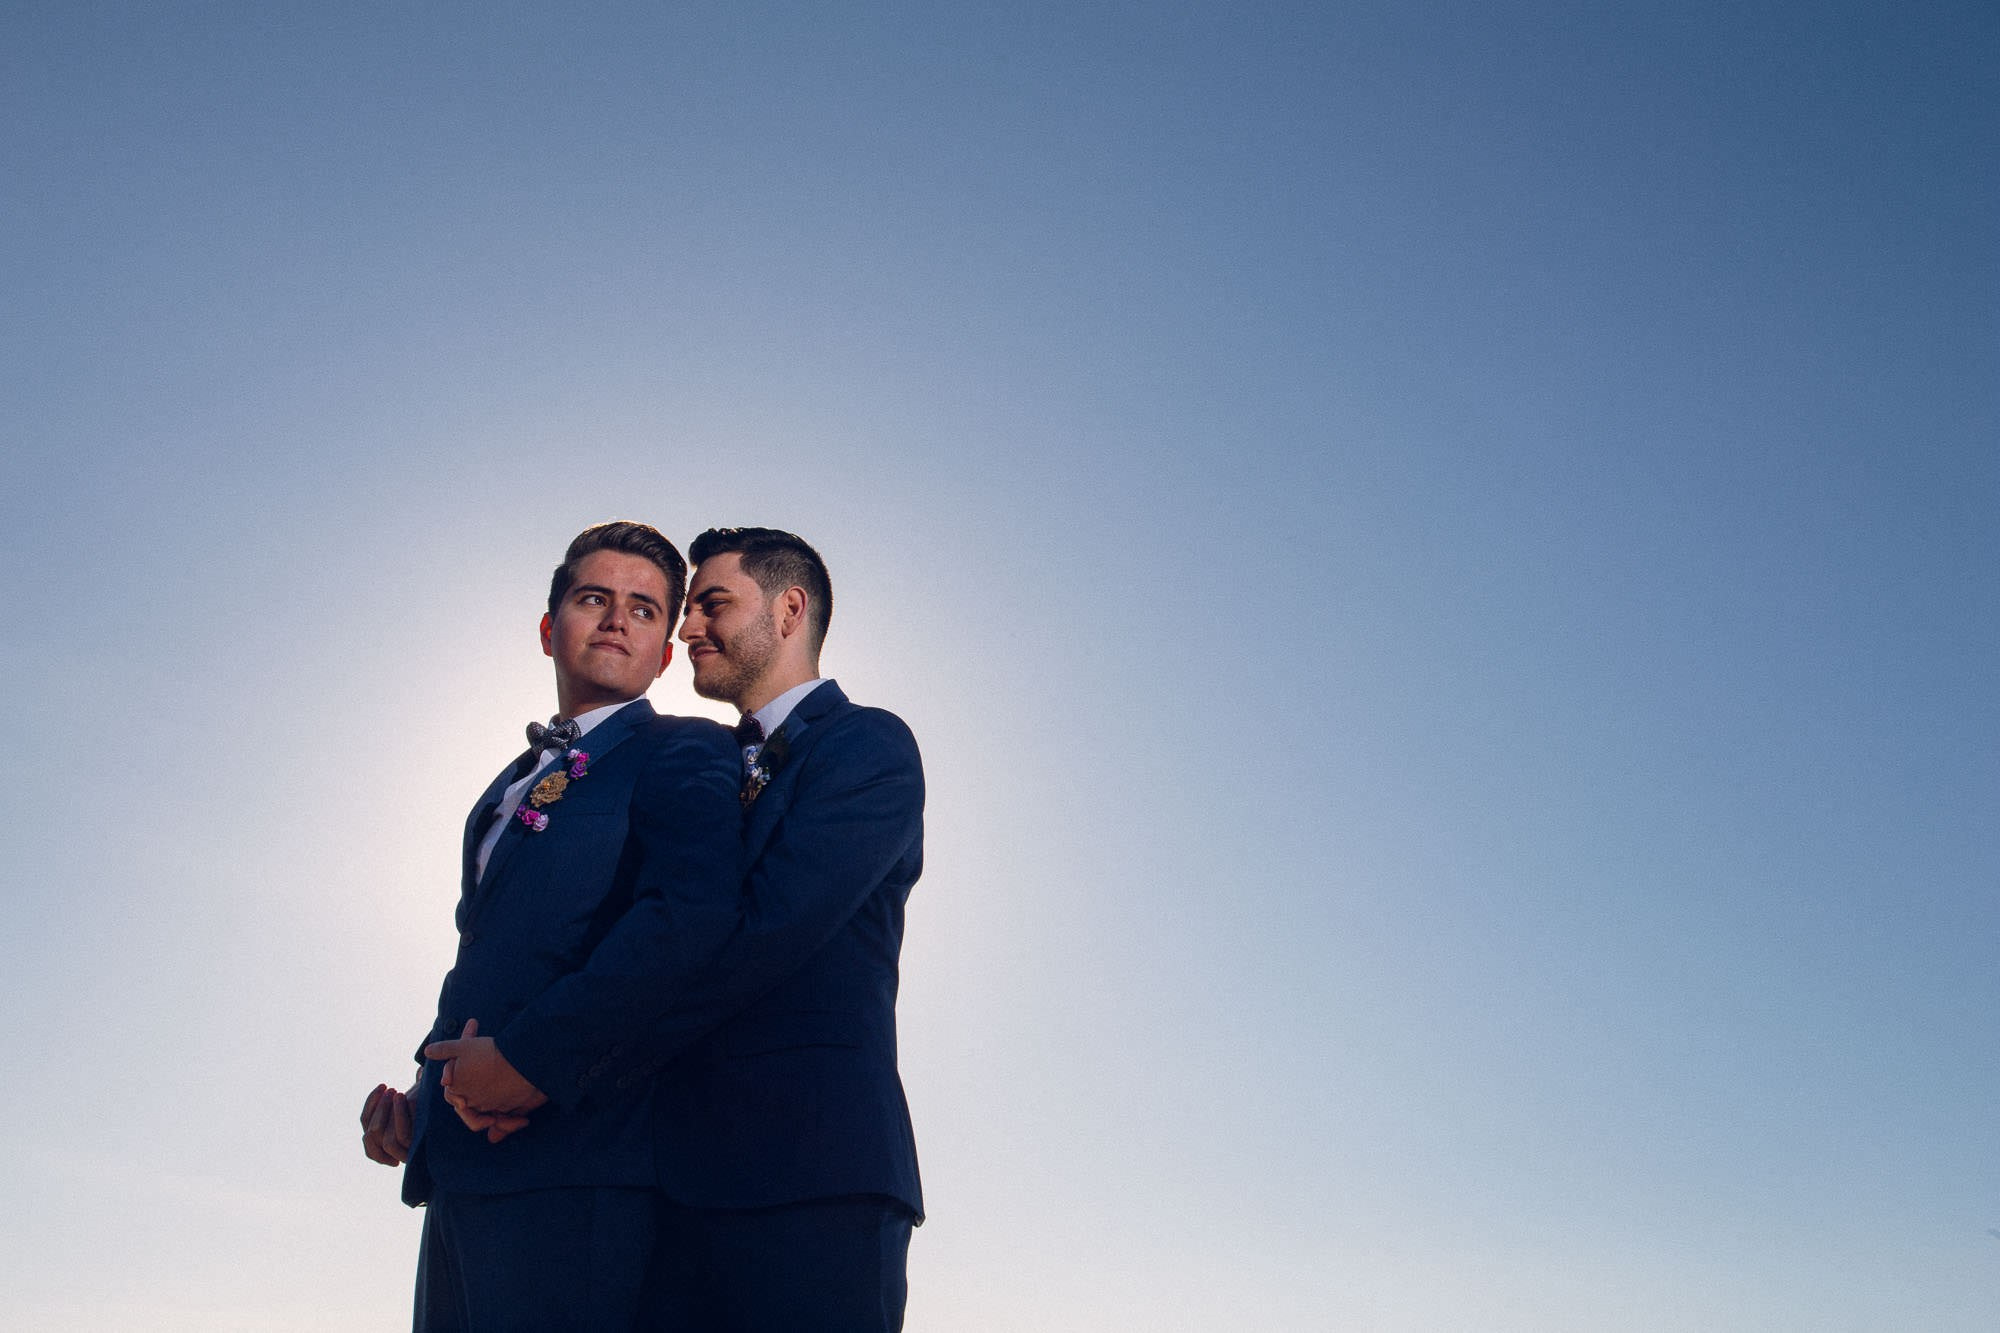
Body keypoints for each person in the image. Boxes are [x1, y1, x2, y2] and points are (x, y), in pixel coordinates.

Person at [431, 527, 926, 1332]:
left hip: (813, 1171)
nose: (689, 627)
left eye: (712, 604)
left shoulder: (868, 745)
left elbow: (754, 935)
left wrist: (540, 1060)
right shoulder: (701, 762)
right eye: (689, 610)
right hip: (679, 1181)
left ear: (790, 607)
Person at [359, 521, 741, 1332]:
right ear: (549, 627)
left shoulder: (686, 751)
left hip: (581, 1166)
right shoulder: (501, 790)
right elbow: (489, 964)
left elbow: (687, 920)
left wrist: (533, 1061)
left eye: (644, 609)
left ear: (664, 655)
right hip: (460, 1174)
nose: (616, 619)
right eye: (593, 598)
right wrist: (423, 1100)